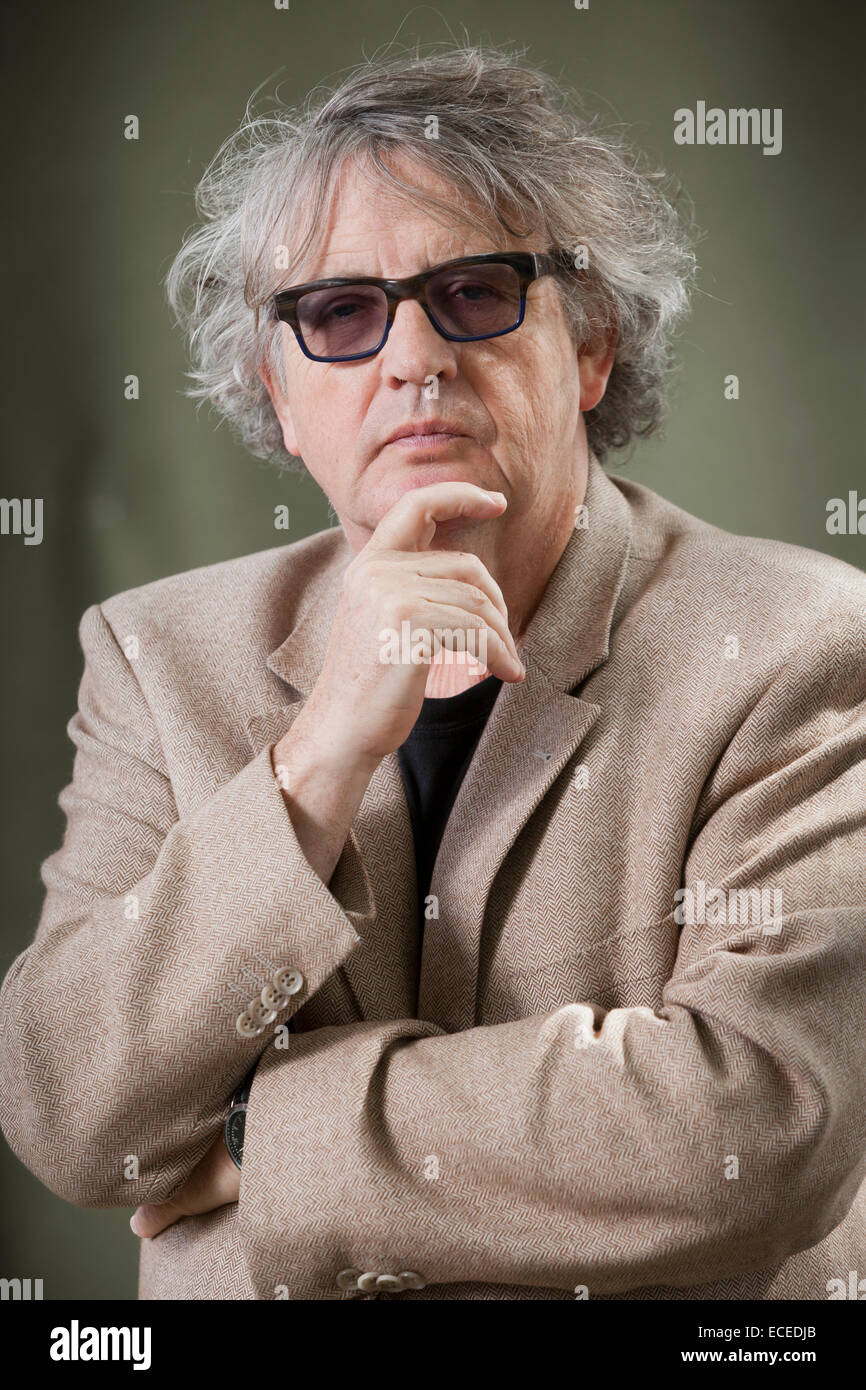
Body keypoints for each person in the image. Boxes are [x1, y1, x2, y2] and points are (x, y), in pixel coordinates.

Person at [1, 43, 864, 1302]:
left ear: (588, 347)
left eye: (471, 291)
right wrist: (314, 760)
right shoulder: (153, 653)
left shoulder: (804, 645)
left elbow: (758, 1128)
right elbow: (70, 1107)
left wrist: (258, 1135)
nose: (412, 356)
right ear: (280, 394)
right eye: (339, 313)